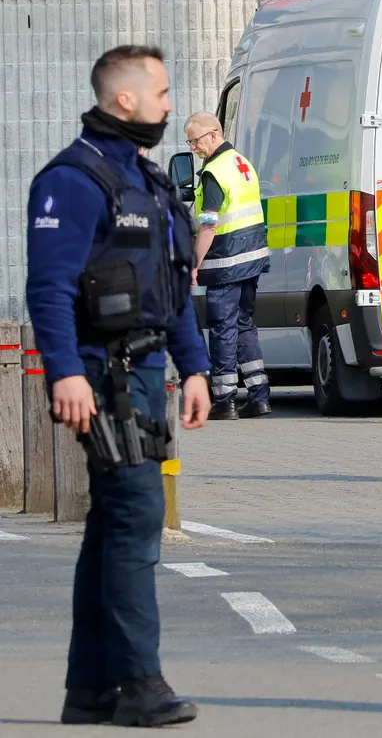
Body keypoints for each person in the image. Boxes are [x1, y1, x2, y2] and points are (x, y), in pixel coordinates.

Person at [25, 45, 212, 727]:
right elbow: (47, 288)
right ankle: (139, 683)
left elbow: (174, 286)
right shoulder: (73, 181)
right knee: (135, 519)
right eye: (161, 94)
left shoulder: (149, 181)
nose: (170, 106)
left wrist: (194, 367)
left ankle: (91, 689)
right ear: (123, 100)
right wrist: (65, 370)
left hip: (148, 369)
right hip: (102, 374)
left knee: (110, 528)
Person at [184, 111, 271, 420]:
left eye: (195, 140)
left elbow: (208, 225)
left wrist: (194, 263)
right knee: (245, 323)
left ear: (213, 134)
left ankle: (224, 399)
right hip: (252, 257)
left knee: (222, 328)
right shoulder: (241, 162)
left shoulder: (214, 171)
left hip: (226, 260)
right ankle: (259, 396)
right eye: (189, 142)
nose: (193, 147)